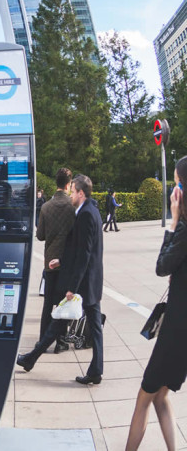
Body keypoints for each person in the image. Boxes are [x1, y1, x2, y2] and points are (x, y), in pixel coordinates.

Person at [17, 174, 104, 385]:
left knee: (62, 321)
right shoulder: (90, 210)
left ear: (81, 193)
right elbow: (81, 249)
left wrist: (72, 288)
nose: (71, 194)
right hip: (90, 279)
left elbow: (84, 254)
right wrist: (61, 261)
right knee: (81, 325)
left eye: (73, 191)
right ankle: (94, 371)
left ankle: (31, 358)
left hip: (83, 281)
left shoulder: (85, 215)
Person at [127, 157, 187, 451]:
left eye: (176, 181)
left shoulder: (185, 229)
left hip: (176, 331)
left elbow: (162, 267)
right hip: (182, 335)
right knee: (161, 396)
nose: (173, 188)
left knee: (145, 396)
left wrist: (174, 222)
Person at [35, 168, 76, 348]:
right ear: (68, 184)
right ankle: (61, 341)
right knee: (63, 302)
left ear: (56, 183)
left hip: (49, 261)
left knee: (47, 303)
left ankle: (43, 340)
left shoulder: (45, 207)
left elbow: (40, 235)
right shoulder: (73, 206)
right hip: (66, 262)